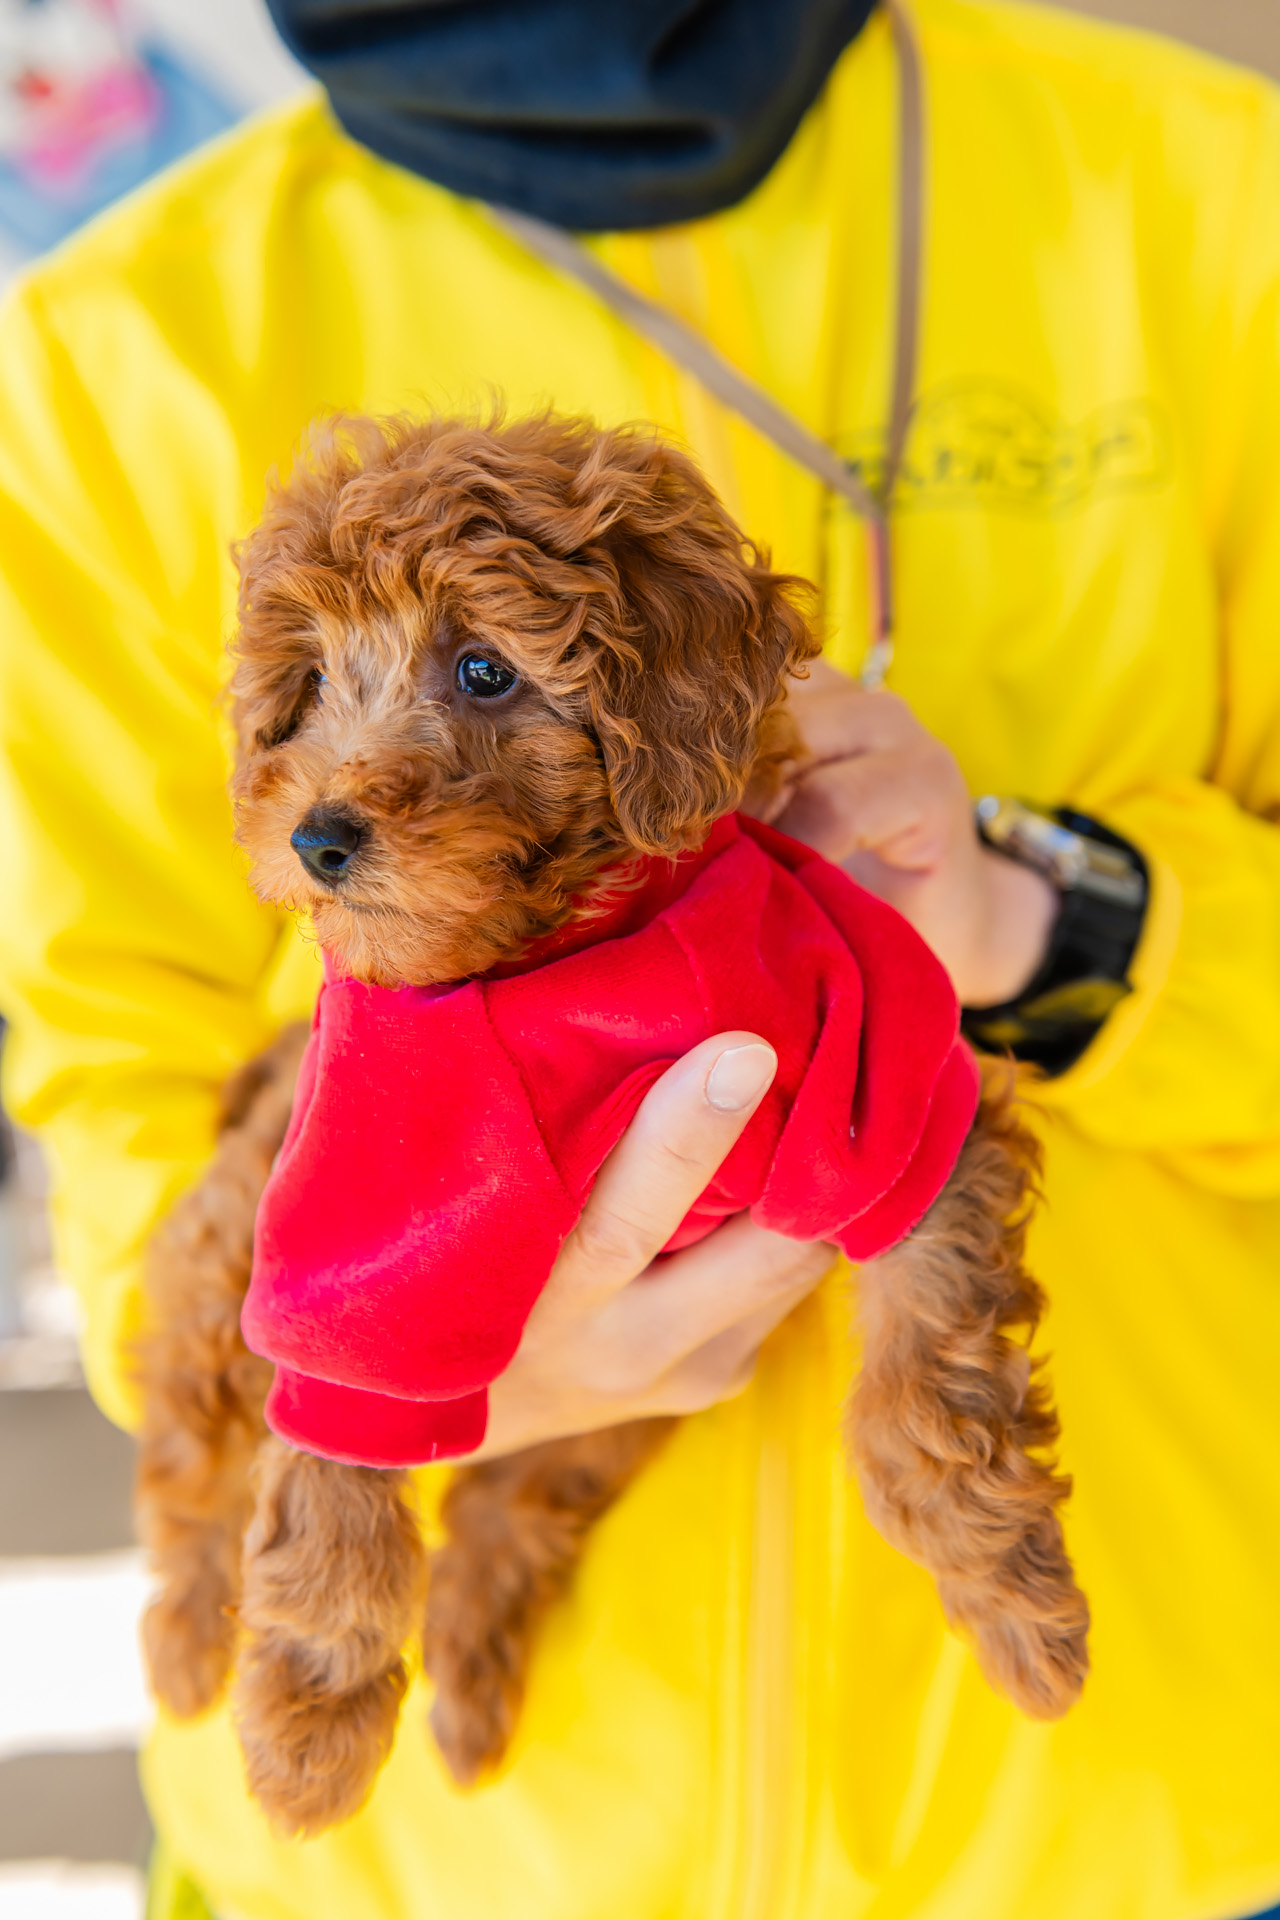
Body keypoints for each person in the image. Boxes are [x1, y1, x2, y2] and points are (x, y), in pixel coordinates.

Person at [0, 0, 1278, 1915]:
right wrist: (400, 1366)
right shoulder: (122, 340)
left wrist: (1042, 915)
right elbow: (114, 1069)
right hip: (431, 1873)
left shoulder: (1212, 197)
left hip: (1138, 1819)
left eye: (481, 672)